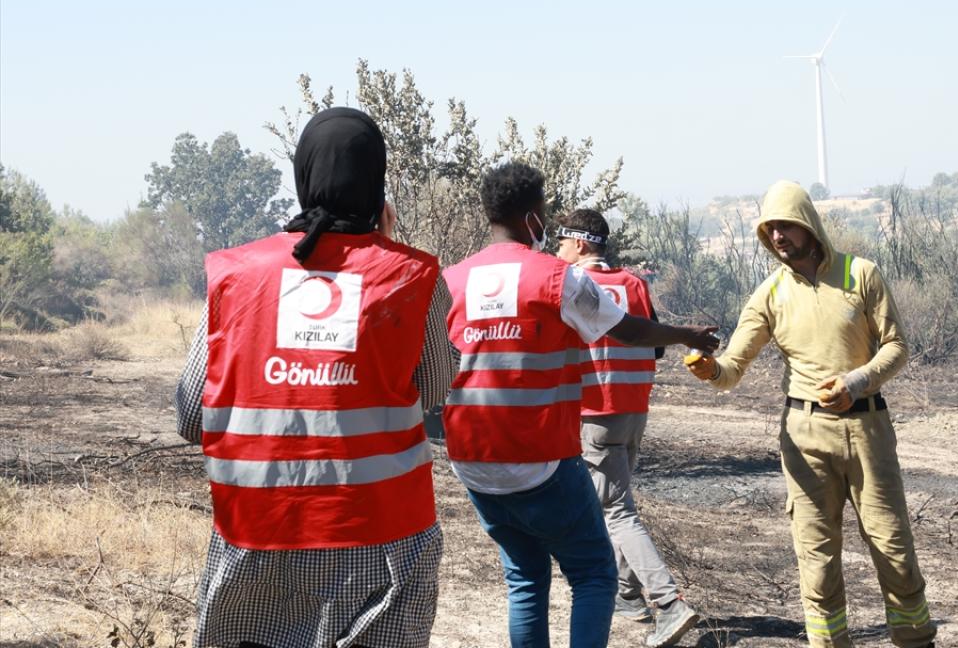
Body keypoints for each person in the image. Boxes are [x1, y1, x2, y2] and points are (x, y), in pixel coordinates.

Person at [174, 107, 457, 648]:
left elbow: (193, 418)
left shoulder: (235, 274)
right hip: (382, 542)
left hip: (254, 537)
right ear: (377, 183)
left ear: (302, 177)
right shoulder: (413, 276)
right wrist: (385, 244)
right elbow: (436, 391)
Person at [442, 162, 718, 648]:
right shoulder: (555, 277)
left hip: (474, 463)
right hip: (540, 460)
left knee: (525, 580)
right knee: (593, 573)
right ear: (534, 216)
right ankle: (661, 603)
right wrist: (685, 334)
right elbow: (630, 329)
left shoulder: (450, 280)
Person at [685, 181, 936, 648]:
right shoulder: (769, 295)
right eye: (770, 229)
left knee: (894, 552)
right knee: (817, 563)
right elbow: (731, 369)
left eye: (786, 226)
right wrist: (708, 370)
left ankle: (917, 640)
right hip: (804, 437)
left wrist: (855, 382)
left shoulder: (861, 274)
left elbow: (897, 348)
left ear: (809, 225)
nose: (778, 236)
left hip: (867, 430)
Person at [554, 208, 699, 648]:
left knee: (616, 510)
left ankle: (669, 604)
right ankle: (628, 596)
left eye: (561, 242)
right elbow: (651, 346)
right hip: (634, 408)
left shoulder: (572, 284)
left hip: (595, 412)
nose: (557, 250)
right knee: (615, 503)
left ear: (580, 243)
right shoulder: (635, 283)